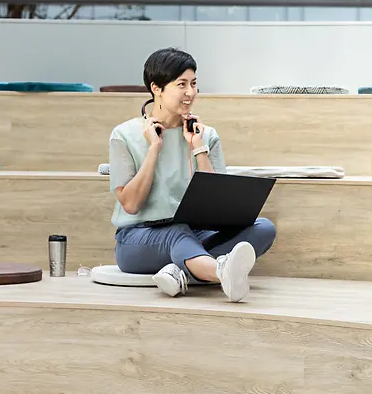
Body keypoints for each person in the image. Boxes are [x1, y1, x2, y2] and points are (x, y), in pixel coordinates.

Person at [108, 48, 276, 301]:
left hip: (195, 232)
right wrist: (154, 148)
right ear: (156, 88)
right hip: (138, 239)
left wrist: (198, 148)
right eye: (181, 85)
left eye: (194, 84)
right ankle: (221, 273)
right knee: (177, 234)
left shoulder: (206, 135)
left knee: (264, 228)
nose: (190, 93)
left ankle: (179, 270)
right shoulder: (124, 134)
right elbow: (130, 205)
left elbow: (218, 203)